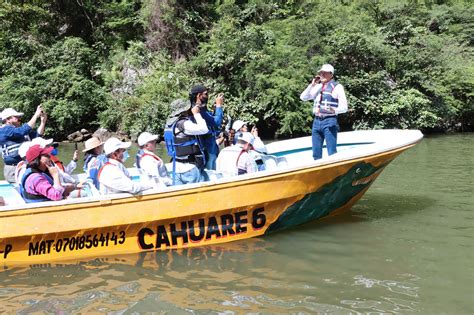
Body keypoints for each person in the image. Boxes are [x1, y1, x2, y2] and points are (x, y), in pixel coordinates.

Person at [300, 64, 348, 160]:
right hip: (316, 122)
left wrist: (334, 110)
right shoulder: (317, 87)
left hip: (329, 120)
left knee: (332, 152)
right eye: (321, 73)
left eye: (324, 73)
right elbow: (303, 97)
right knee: (316, 153)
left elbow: (344, 107)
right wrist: (311, 85)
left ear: (331, 74)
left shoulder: (337, 87)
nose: (322, 75)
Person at [164, 99, 209, 185]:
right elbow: (204, 129)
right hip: (189, 168)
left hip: (175, 168)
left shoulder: (170, 124)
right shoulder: (184, 124)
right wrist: (196, 114)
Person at [0, 105, 46, 183]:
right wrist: (36, 115)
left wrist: (43, 122)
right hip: (13, 169)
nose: (19, 119)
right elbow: (24, 130)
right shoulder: (4, 130)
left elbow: (37, 135)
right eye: (16, 117)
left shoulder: (17, 131)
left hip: (24, 166)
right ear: (8, 119)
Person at [188, 84, 224, 170]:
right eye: (206, 94)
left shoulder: (202, 109)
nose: (207, 96)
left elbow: (212, 121)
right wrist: (219, 105)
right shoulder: (197, 110)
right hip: (207, 149)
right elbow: (217, 122)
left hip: (211, 147)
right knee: (210, 173)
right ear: (199, 95)